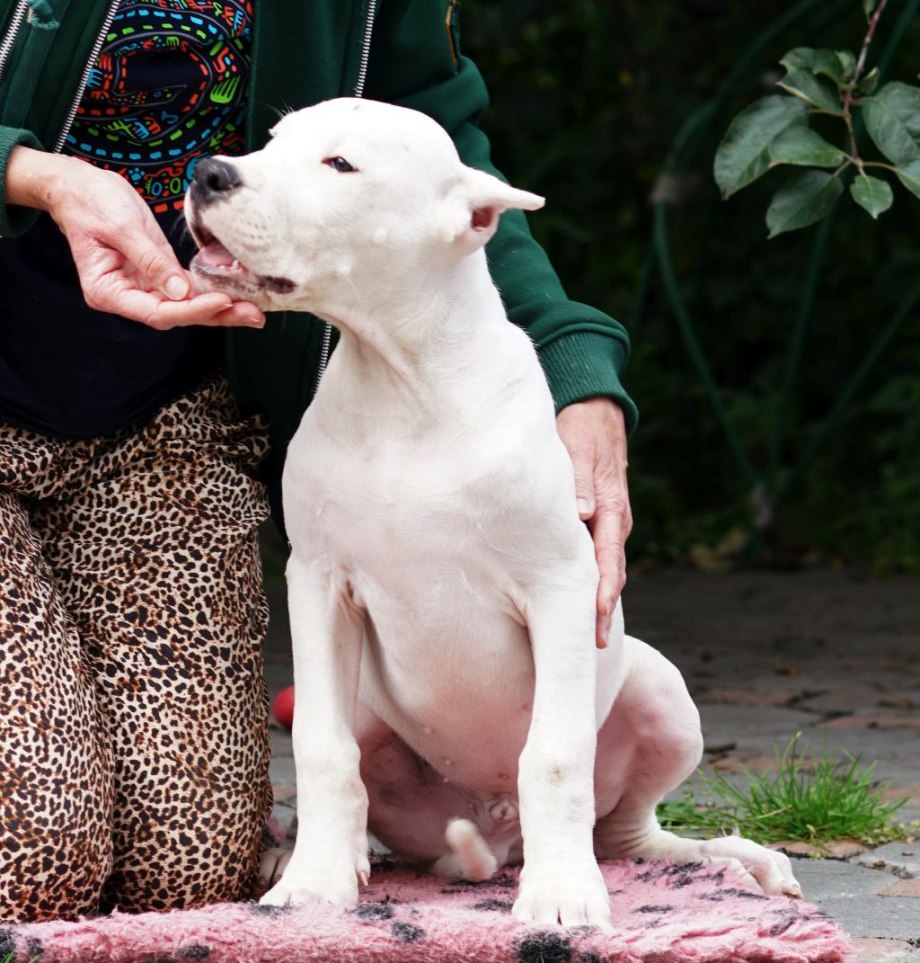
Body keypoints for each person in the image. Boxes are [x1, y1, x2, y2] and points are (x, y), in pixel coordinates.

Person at [0, 0, 637, 923]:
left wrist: (572, 358)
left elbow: (442, 155)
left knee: (192, 867)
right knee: (32, 855)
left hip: (162, 412)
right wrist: (35, 174)